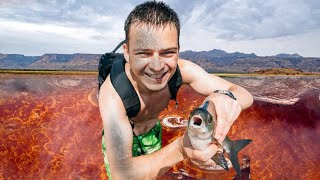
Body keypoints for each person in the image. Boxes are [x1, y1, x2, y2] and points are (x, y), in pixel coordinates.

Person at [99, 1, 253, 179]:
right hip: (123, 141)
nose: (157, 67)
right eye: (144, 53)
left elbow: (245, 95)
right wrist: (181, 148)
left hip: (153, 133)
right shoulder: (113, 94)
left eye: (167, 53)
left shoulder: (183, 70)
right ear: (126, 52)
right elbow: (123, 174)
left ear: (178, 51)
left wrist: (225, 96)